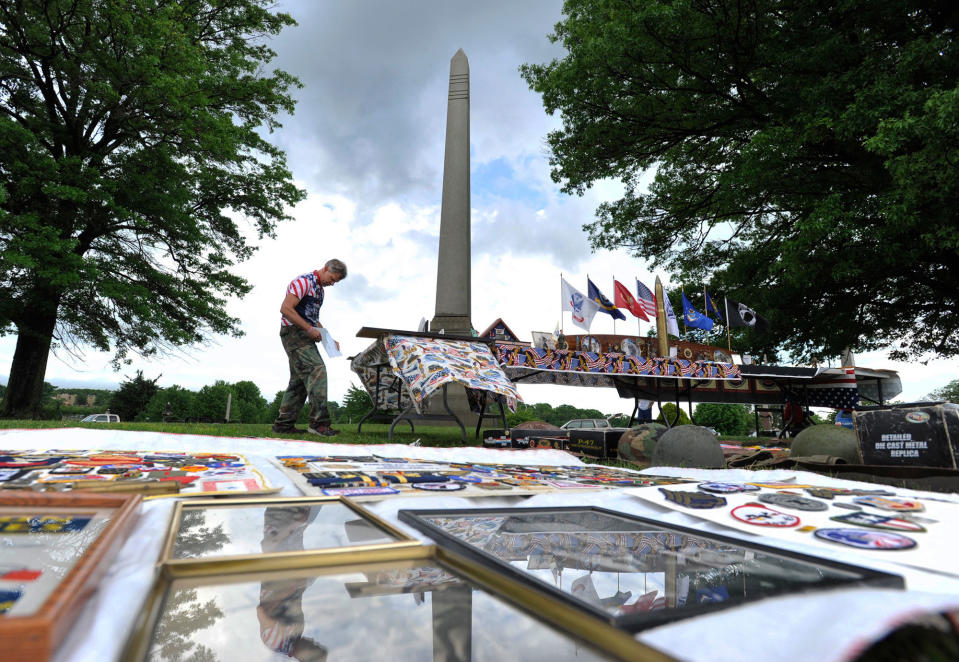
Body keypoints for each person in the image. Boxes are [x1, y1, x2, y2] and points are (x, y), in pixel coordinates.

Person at [272, 259, 347, 436]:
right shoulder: (303, 282)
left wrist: (328, 338)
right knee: (317, 370)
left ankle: (283, 425)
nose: (332, 283)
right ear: (326, 268)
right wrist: (308, 328)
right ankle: (319, 424)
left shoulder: (320, 291)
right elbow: (285, 308)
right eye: (332, 278)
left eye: (336, 282)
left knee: (298, 382)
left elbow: (312, 317)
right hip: (293, 334)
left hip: (304, 335)